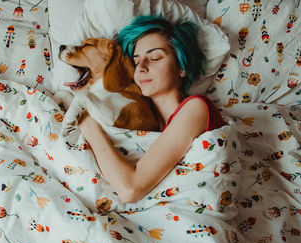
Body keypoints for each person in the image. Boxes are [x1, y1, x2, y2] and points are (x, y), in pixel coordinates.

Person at [77, 15, 225, 203]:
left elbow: (130, 190)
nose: (142, 67)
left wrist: (88, 124)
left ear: (181, 67)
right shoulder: (141, 125)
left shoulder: (196, 107)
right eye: (137, 61)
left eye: (155, 58)